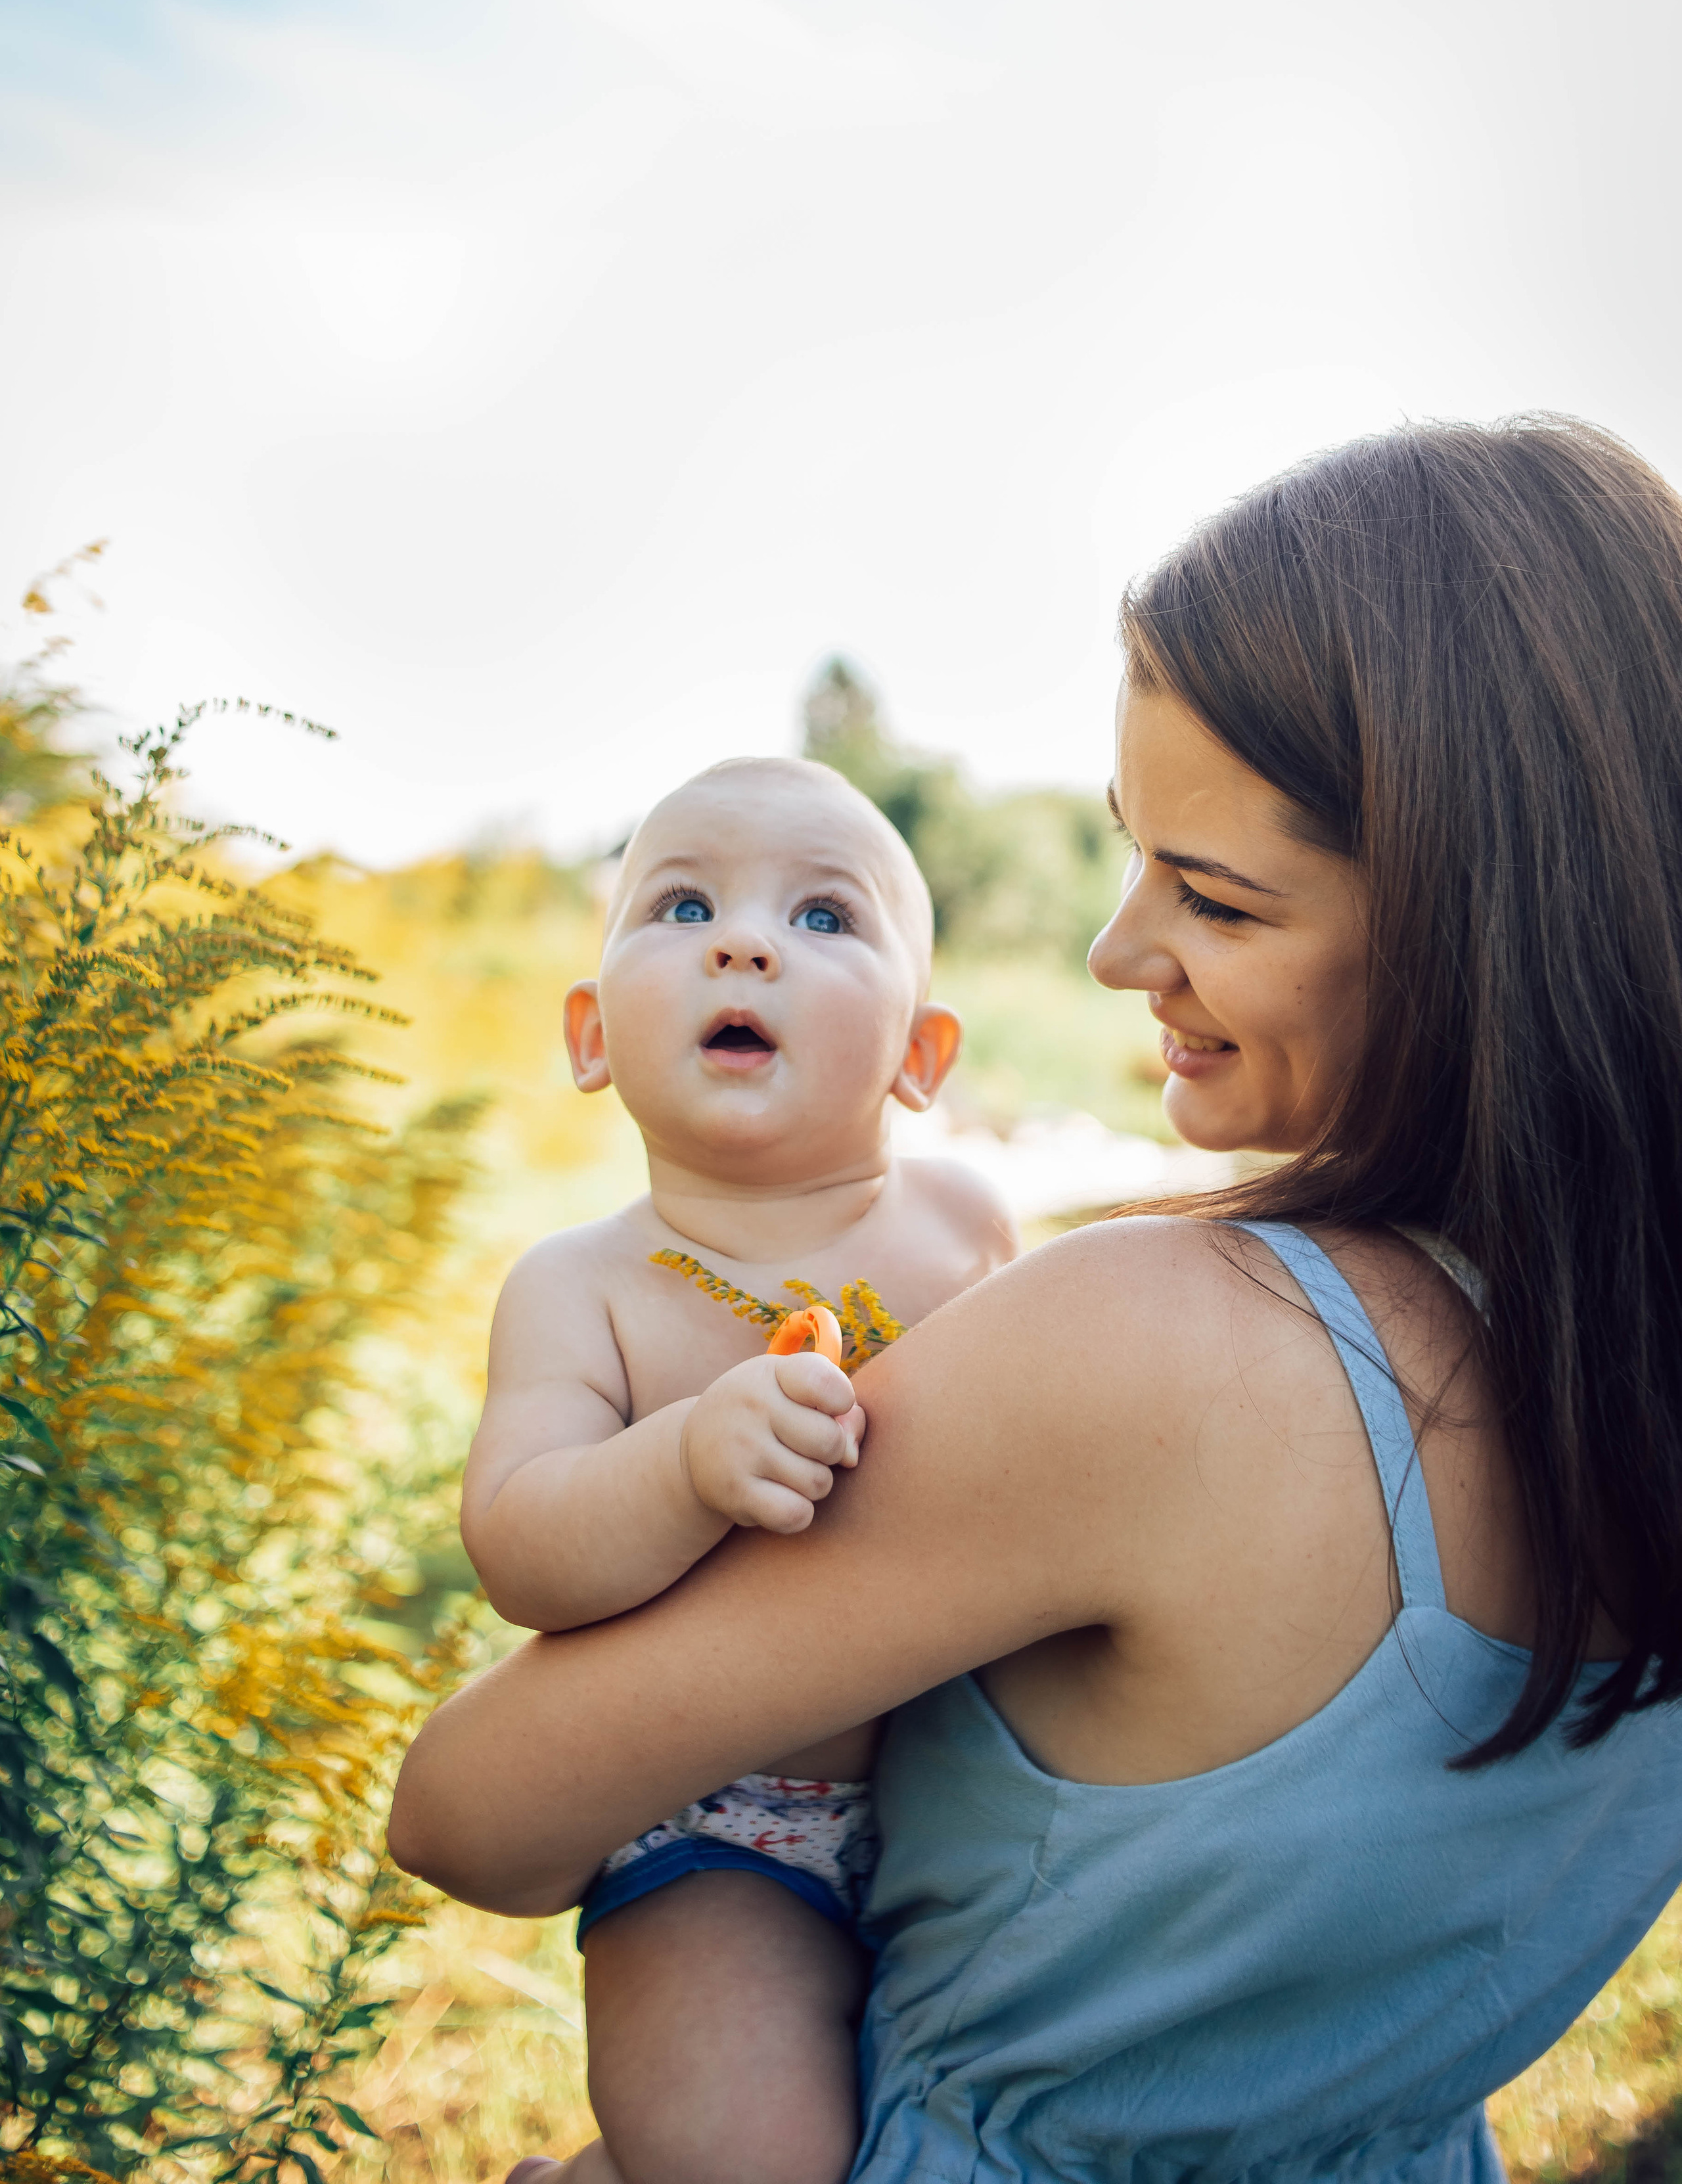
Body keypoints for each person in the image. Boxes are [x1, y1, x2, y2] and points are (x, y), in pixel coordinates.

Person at [393, 415, 1682, 2184]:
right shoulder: (1637, 1382)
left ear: (1487, 925)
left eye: (1214, 896)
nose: (1113, 950)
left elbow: (468, 1813)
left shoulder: (1165, 1351)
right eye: (1130, 855)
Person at [460, 754, 1016, 2184]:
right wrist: (683, 1459)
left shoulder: (963, 1229)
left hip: (978, 1796)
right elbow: (519, 1543)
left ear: (919, 1055)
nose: (746, 941)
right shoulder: (579, 1288)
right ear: (590, 1034)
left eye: (824, 918)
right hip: (720, 1832)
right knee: (745, 2152)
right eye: (685, 903)